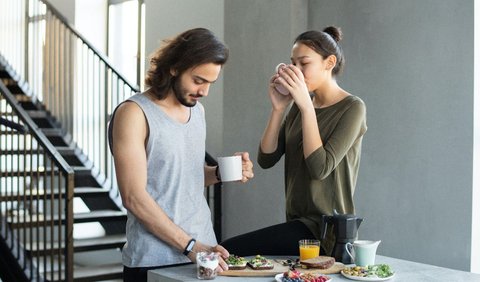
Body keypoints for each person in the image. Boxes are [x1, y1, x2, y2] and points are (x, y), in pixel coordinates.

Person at [108, 28, 254, 282]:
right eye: (198, 80)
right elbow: (133, 196)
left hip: (204, 255)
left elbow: (182, 176)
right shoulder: (133, 114)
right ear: (175, 67)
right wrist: (190, 246)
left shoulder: (197, 112)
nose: (204, 91)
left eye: (210, 83)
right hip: (153, 260)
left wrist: (221, 173)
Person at [221, 26, 367, 258]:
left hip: (326, 230)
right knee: (230, 254)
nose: (296, 71)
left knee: (228, 250)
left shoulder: (352, 108)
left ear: (329, 63)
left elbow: (320, 167)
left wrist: (306, 106)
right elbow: (266, 159)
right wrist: (279, 108)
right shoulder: (300, 106)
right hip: (297, 223)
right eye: (293, 63)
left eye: (304, 63)